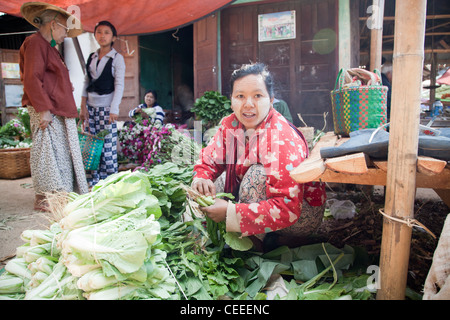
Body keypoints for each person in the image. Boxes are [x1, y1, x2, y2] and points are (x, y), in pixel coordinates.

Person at [192, 63, 326, 250]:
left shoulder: (279, 138)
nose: (248, 104)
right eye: (240, 96)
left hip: (301, 213)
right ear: (231, 100)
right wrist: (202, 176)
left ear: (271, 100)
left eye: (257, 96)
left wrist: (230, 213)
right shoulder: (231, 124)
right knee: (214, 182)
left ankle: (254, 247)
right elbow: (210, 158)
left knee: (255, 176)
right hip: (267, 202)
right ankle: (266, 236)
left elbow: (288, 208)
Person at [19, 2, 88, 211]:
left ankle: (60, 196)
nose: (65, 34)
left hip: (55, 109)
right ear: (54, 24)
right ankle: (48, 199)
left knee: (58, 155)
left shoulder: (48, 47)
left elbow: (48, 77)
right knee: (48, 154)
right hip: (47, 110)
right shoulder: (35, 43)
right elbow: (32, 78)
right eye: (65, 29)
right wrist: (43, 110)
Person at [79, 21, 126, 187]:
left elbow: (119, 85)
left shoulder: (116, 58)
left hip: (107, 109)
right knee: (92, 144)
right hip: (91, 109)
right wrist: (83, 106)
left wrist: (114, 109)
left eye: (107, 32)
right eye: (99, 32)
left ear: (113, 37)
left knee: (107, 145)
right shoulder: (92, 57)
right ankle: (92, 181)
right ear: (95, 35)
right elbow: (86, 82)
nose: (102, 35)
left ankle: (109, 182)